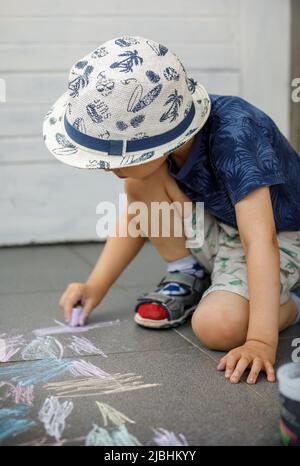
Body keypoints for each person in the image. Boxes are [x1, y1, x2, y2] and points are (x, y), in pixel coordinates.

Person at [43, 36, 300, 385]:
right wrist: (95, 286)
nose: (106, 167)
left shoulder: (237, 135)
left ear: (159, 140)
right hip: (227, 227)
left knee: (217, 327)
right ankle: (190, 272)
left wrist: (260, 340)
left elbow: (261, 240)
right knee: (139, 184)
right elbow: (138, 214)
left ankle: (292, 299)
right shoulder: (173, 133)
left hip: (282, 237)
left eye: (115, 158)